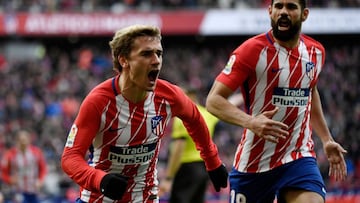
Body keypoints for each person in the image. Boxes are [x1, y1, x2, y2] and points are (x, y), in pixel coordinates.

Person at [60, 24, 228, 203]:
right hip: (99, 199)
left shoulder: (170, 95)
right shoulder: (99, 101)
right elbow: (70, 158)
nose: (156, 60)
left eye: (159, 53)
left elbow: (195, 120)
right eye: (146, 54)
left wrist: (213, 162)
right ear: (124, 60)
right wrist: (100, 179)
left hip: (146, 197)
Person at [205, 0, 347, 203]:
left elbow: (310, 91)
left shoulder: (316, 53)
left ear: (304, 14)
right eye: (279, 6)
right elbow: (213, 100)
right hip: (254, 164)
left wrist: (326, 139)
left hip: (298, 158)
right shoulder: (251, 50)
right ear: (270, 11)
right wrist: (251, 122)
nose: (283, 12)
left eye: (291, 7)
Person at [159, 88, 243, 203]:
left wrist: (168, 177)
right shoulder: (206, 114)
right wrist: (243, 96)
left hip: (187, 168)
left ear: (189, 97)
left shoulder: (183, 117)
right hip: (204, 168)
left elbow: (178, 148)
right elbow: (230, 102)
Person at [0, 129, 48, 203]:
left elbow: (43, 168)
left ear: (29, 140)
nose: (23, 142)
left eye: (25, 140)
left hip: (34, 190)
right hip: (18, 191)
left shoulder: (36, 152)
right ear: (17, 141)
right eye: (21, 140)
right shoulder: (10, 155)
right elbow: (3, 172)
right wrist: (9, 180)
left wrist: (40, 180)